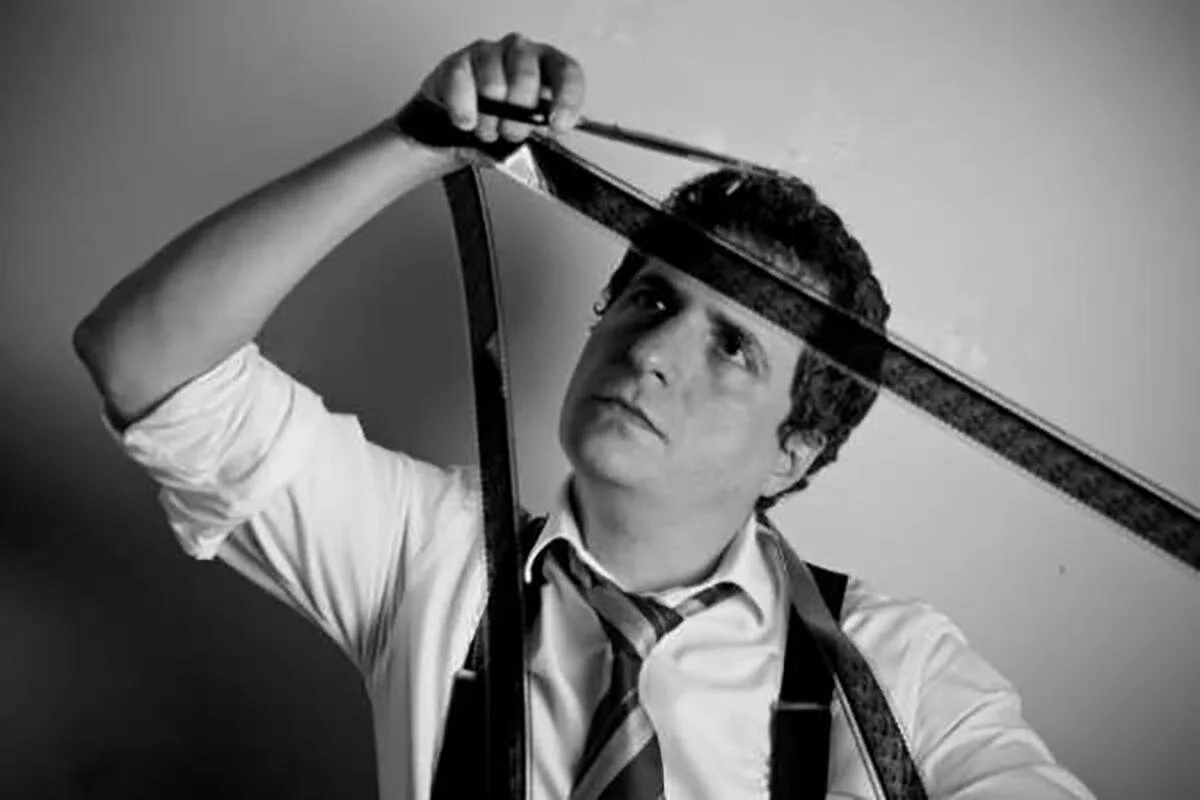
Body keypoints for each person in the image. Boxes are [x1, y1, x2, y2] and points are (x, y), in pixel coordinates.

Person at [74, 32, 1094, 800]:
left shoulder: (894, 668)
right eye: (650, 299)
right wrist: (414, 145)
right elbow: (145, 360)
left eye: (732, 347)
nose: (652, 352)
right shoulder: (432, 558)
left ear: (794, 452)